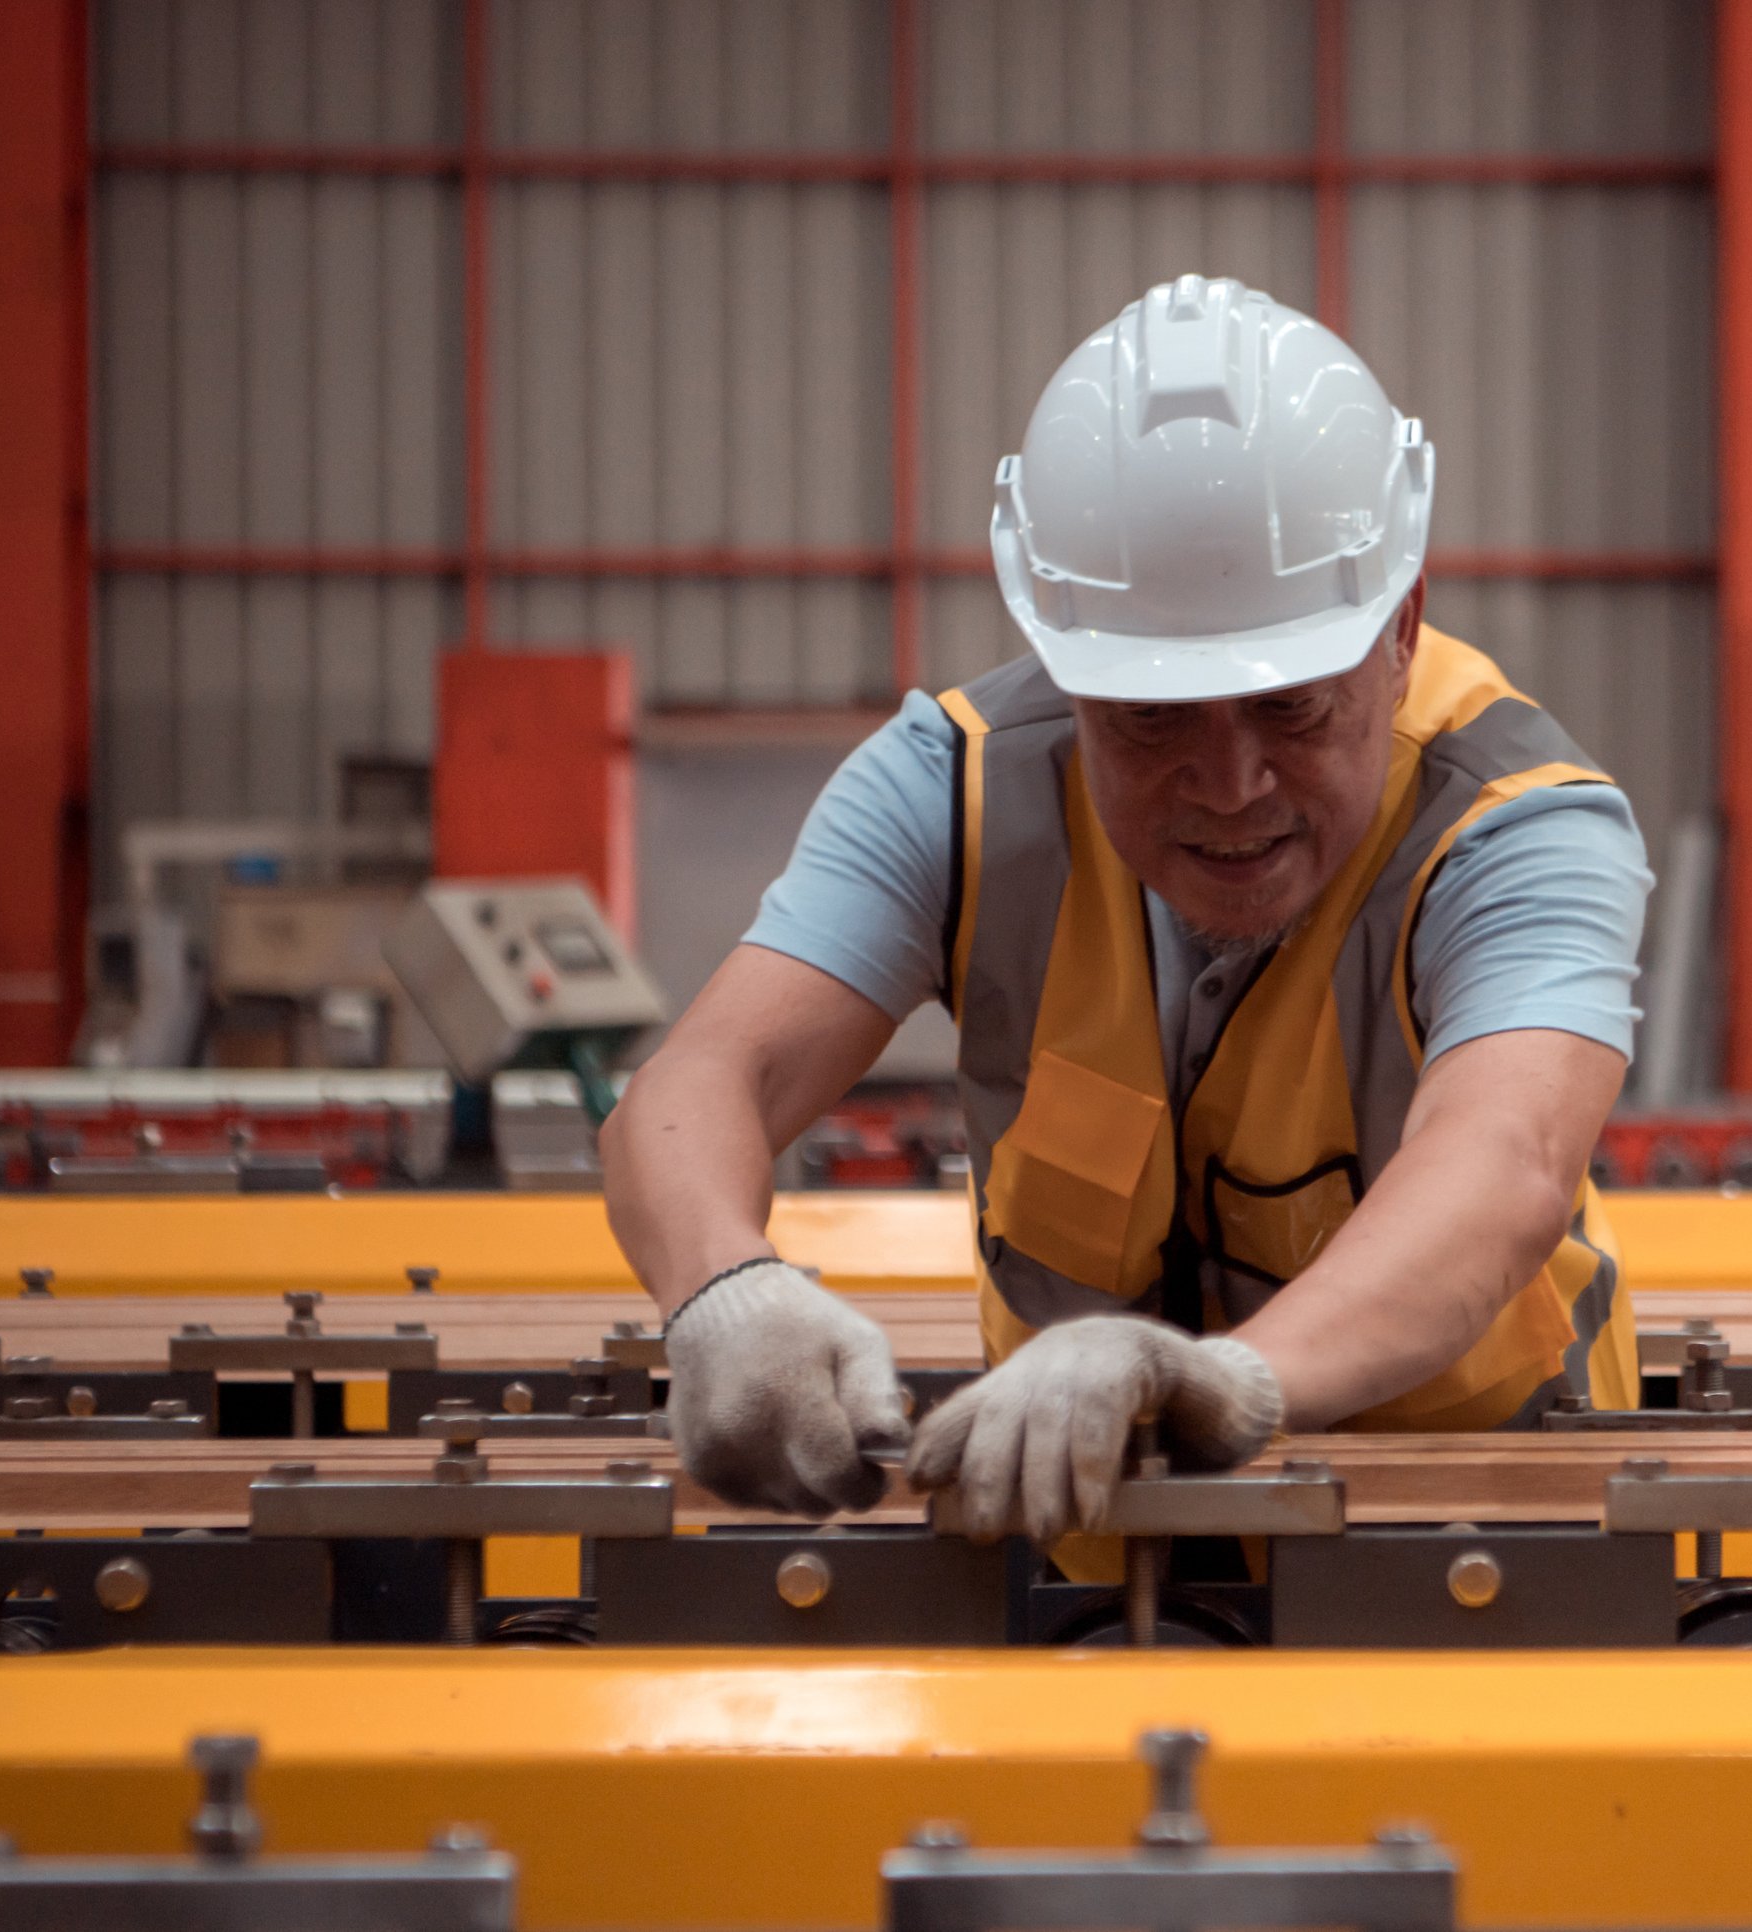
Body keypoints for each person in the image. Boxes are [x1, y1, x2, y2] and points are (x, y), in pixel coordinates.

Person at [599, 275, 1651, 1543]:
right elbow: (705, 1079)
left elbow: (1505, 1162)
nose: (1232, 784)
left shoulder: (1517, 827)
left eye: (1291, 707)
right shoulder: (950, 791)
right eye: (1153, 720)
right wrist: (723, 1288)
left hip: (1485, 1536)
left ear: (1400, 630)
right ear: (1068, 664)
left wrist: (1225, 1383)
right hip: (1067, 1542)